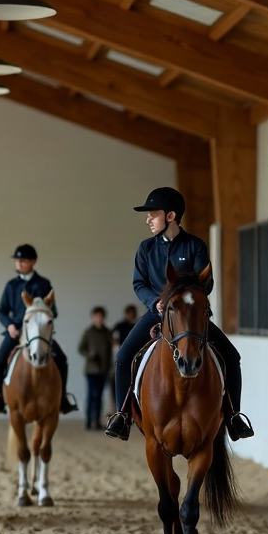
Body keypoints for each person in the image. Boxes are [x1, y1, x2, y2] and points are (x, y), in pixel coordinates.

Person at [103, 187, 254, 442]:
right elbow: (139, 284)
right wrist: (156, 303)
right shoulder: (145, 249)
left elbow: (205, 283)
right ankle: (122, 415)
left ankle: (234, 417)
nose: (148, 219)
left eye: (153, 214)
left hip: (191, 318)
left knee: (232, 356)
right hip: (157, 314)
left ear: (170, 215)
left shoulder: (195, 246)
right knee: (122, 357)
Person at [0, 244, 78, 415]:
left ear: (33, 261)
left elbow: (54, 310)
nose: (18, 264)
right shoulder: (11, 286)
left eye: (23, 260)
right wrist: (9, 325)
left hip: (39, 334)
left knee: (62, 358)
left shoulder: (44, 284)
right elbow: (2, 311)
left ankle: (63, 397)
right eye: (17, 260)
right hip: (16, 332)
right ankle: (0, 397)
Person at [78, 306, 113, 430]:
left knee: (99, 397)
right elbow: (81, 348)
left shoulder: (108, 333)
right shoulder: (88, 332)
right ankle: (88, 422)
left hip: (103, 370)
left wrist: (110, 366)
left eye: (101, 316)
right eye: (96, 316)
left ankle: (97, 421)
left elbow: (111, 351)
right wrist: (89, 355)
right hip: (91, 370)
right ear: (93, 317)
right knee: (91, 396)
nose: (99, 319)